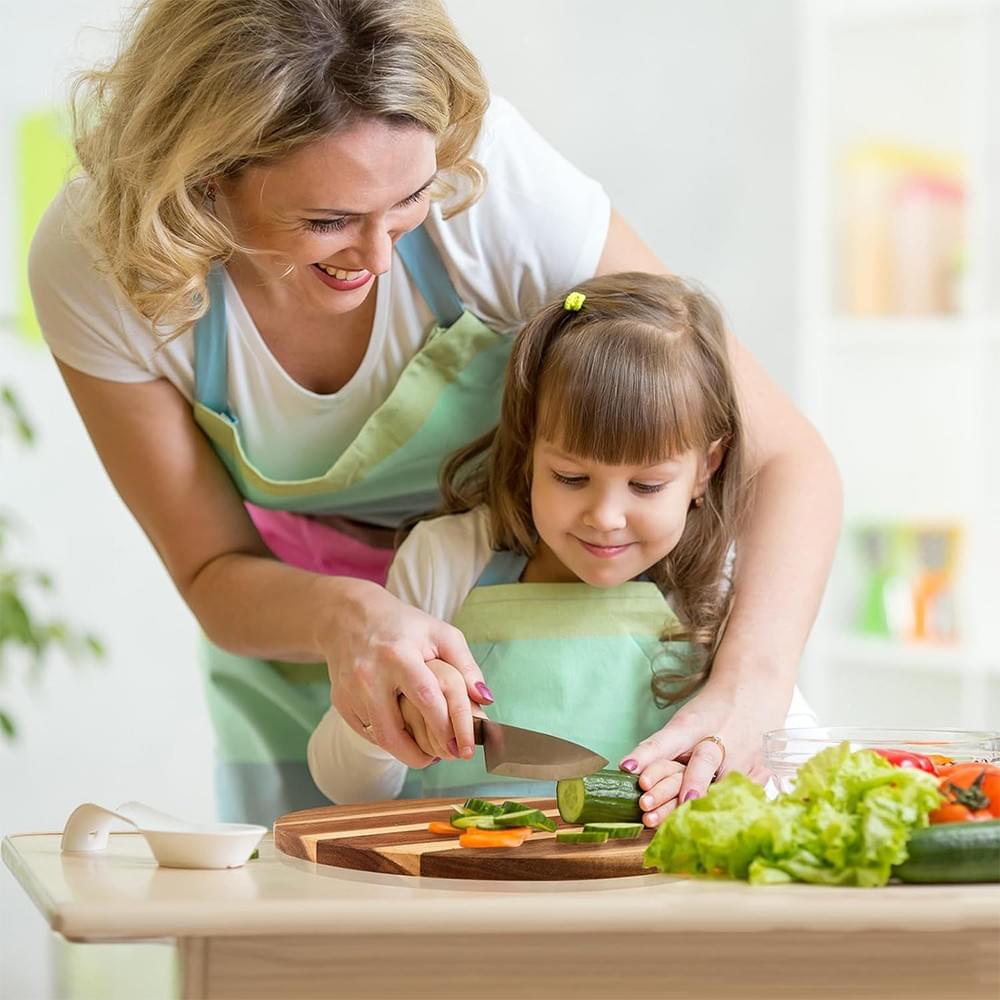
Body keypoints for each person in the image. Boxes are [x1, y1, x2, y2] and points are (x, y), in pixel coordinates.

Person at [29, 0, 840, 827]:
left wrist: (750, 690)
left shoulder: (491, 188)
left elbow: (786, 461)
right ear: (203, 182)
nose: (380, 257)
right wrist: (349, 616)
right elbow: (211, 574)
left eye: (411, 199)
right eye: (327, 221)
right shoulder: (101, 266)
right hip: (297, 640)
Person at [308, 273, 820, 821]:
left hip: (656, 902)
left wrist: (721, 777)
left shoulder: (722, 585)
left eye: (647, 486)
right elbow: (344, 785)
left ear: (706, 469)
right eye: (571, 478)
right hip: (459, 898)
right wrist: (385, 716)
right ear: (530, 448)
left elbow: (807, 766)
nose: (605, 517)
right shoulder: (446, 559)